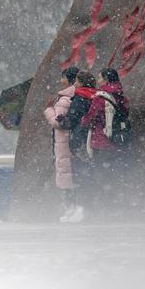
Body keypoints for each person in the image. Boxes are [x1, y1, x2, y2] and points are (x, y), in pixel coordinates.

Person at [80, 67, 130, 216]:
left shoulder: (101, 97)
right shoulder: (120, 96)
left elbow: (90, 117)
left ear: (106, 80)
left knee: (101, 176)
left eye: (100, 78)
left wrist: (83, 121)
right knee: (115, 176)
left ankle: (103, 210)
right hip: (117, 141)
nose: (99, 80)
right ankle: (117, 207)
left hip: (101, 141)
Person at [57, 70, 97, 223]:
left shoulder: (79, 98)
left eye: (77, 82)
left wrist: (62, 120)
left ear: (81, 83)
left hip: (80, 140)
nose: (75, 84)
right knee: (91, 172)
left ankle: (80, 209)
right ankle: (91, 207)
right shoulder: (96, 96)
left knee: (79, 174)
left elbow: (71, 121)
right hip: (94, 140)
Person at [43, 67, 79, 221]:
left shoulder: (65, 98)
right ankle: (73, 209)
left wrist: (48, 110)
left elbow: (58, 122)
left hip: (64, 142)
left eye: (63, 78)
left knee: (67, 178)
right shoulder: (77, 95)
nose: (61, 81)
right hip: (69, 141)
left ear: (70, 80)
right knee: (71, 176)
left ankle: (70, 210)